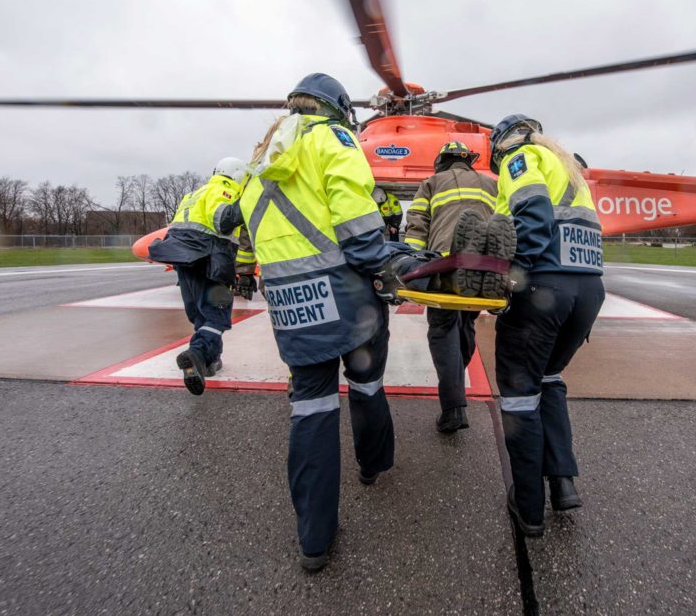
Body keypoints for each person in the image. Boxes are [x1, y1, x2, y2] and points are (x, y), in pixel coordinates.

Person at [239, 73, 402, 572]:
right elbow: (358, 233)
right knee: (367, 383)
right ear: (336, 110)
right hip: (347, 299)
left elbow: (250, 234)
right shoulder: (334, 139)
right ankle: (372, 465)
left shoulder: (259, 164)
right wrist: (393, 261)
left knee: (311, 409)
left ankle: (314, 539)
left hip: (291, 305)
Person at [488, 114, 606, 538]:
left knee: (520, 395)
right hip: (587, 292)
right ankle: (562, 482)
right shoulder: (567, 168)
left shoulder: (519, 159)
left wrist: (511, 278)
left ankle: (529, 507)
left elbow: (532, 217)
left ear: (501, 143)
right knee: (550, 378)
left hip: (544, 290)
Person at [404, 141, 499, 433]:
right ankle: (456, 384)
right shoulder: (490, 184)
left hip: (445, 264)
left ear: (440, 162)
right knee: (466, 322)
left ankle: (453, 408)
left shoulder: (431, 183)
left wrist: (411, 267)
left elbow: (418, 225)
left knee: (443, 327)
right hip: (485, 268)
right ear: (468, 161)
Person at [148, 158, 255, 395]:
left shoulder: (194, 194)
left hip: (185, 263)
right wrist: (247, 203)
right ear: (238, 175)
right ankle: (195, 353)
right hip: (210, 259)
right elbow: (223, 220)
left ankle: (210, 361)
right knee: (217, 318)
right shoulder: (225, 191)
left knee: (201, 316)